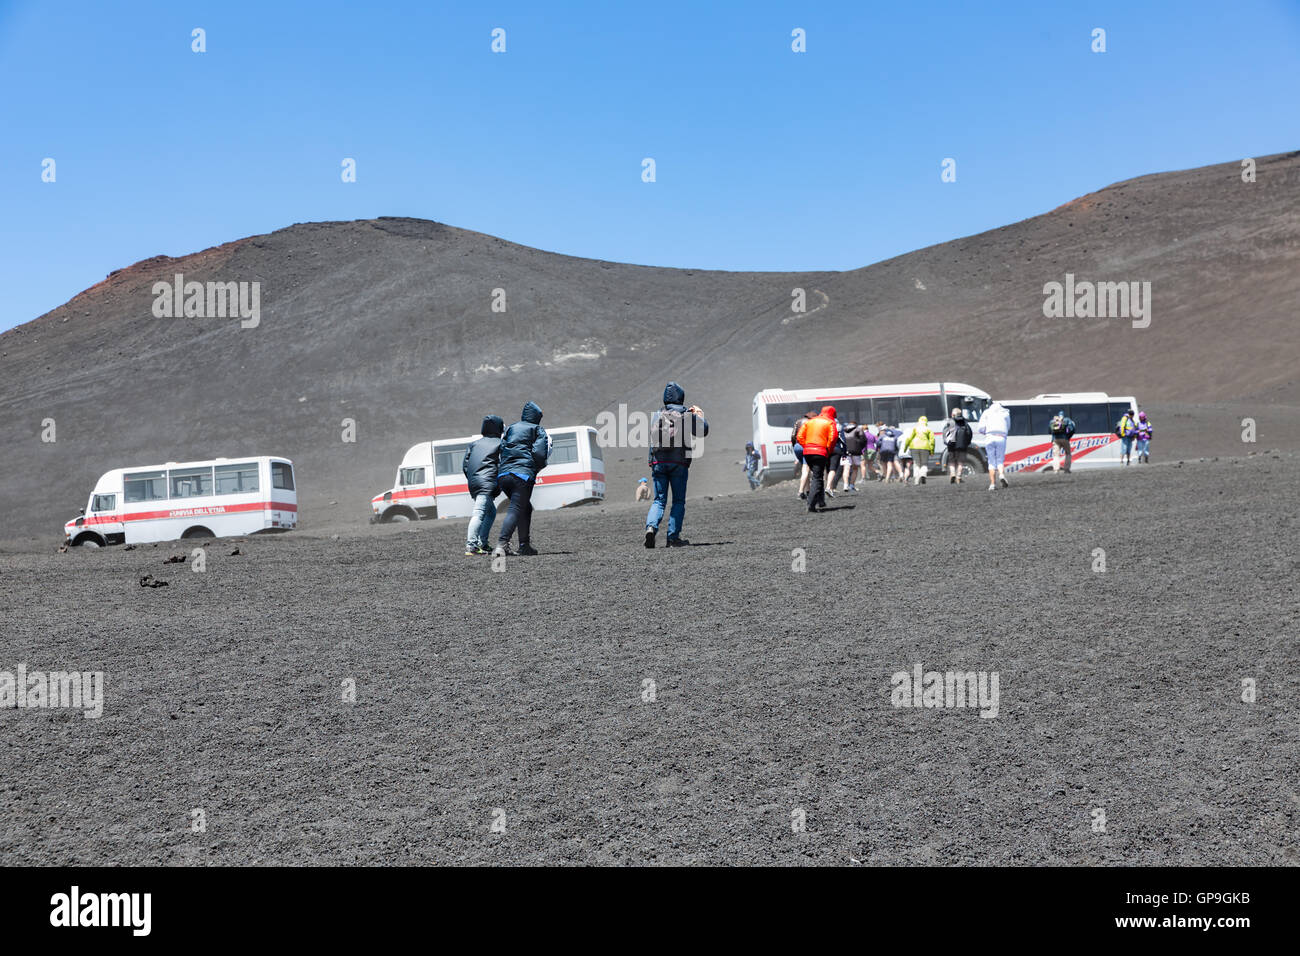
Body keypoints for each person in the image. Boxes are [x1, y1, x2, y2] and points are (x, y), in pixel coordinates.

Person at [644, 382, 709, 548]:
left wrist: (652, 461)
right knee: (678, 501)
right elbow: (703, 431)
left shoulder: (657, 414)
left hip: (658, 462)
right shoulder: (687, 414)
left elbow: (651, 439)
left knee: (659, 500)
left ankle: (651, 527)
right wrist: (700, 415)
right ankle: (672, 538)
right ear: (681, 397)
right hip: (678, 463)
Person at [495, 401, 550, 556]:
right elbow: (540, 453)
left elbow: (501, 448)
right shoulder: (537, 429)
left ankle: (524, 545)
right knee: (515, 508)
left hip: (503, 475)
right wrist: (536, 467)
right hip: (522, 474)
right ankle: (502, 544)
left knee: (524, 508)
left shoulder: (511, 428)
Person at [462, 414, 504, 555]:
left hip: (474, 482)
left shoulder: (474, 444)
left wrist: (474, 479)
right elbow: (502, 464)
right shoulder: (500, 443)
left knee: (491, 512)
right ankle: (472, 546)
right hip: (487, 482)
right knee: (479, 513)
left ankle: (483, 544)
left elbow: (465, 466)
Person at [794, 405, 839, 512]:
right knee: (817, 478)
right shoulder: (830, 423)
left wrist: (807, 446)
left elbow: (799, 436)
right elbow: (833, 438)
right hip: (820, 452)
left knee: (817, 475)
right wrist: (827, 450)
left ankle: (821, 501)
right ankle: (811, 504)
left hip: (808, 452)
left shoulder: (810, 422)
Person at [979, 401, 1011, 490]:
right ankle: (1001, 474)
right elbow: (1008, 426)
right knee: (1000, 460)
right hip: (1001, 437)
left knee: (991, 461)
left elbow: (981, 427)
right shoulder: (1005, 413)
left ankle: (992, 484)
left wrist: (985, 432)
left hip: (989, 437)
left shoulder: (986, 412)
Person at [902, 415, 935, 485]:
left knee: (916, 464)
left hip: (914, 447)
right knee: (924, 463)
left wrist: (905, 448)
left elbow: (909, 438)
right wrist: (932, 451)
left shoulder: (915, 428)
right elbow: (932, 441)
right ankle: (923, 475)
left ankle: (916, 481)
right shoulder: (928, 429)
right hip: (925, 447)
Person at [943, 408, 974, 483]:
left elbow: (945, 433)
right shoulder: (965, 423)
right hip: (962, 445)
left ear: (952, 414)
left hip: (951, 445)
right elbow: (969, 433)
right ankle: (958, 476)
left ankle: (953, 474)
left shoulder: (949, 422)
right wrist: (967, 443)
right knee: (960, 461)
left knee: (951, 461)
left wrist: (946, 442)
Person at [794, 410, 815, 499]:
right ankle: (800, 491)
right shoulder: (812, 423)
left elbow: (793, 435)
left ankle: (808, 490)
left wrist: (795, 446)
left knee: (805, 469)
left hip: (797, 446)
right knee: (806, 469)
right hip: (806, 446)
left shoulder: (798, 422)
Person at [840, 421, 867, 491]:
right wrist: (860, 448)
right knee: (855, 468)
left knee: (846, 468)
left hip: (845, 451)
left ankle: (845, 485)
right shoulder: (858, 429)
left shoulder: (843, 430)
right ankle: (852, 485)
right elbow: (863, 440)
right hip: (856, 451)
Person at [825, 410, 846, 496]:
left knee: (827, 469)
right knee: (833, 469)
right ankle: (829, 487)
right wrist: (845, 452)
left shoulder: (825, 427)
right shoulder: (839, 427)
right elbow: (843, 440)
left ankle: (828, 486)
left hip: (826, 449)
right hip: (836, 449)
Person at [1049, 409, 1076, 473]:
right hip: (1064, 439)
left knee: (1056, 455)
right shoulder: (1067, 420)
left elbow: (1049, 431)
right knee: (1068, 453)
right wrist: (1068, 436)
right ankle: (1066, 469)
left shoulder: (1053, 421)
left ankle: (1056, 469)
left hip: (1055, 439)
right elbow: (1072, 429)